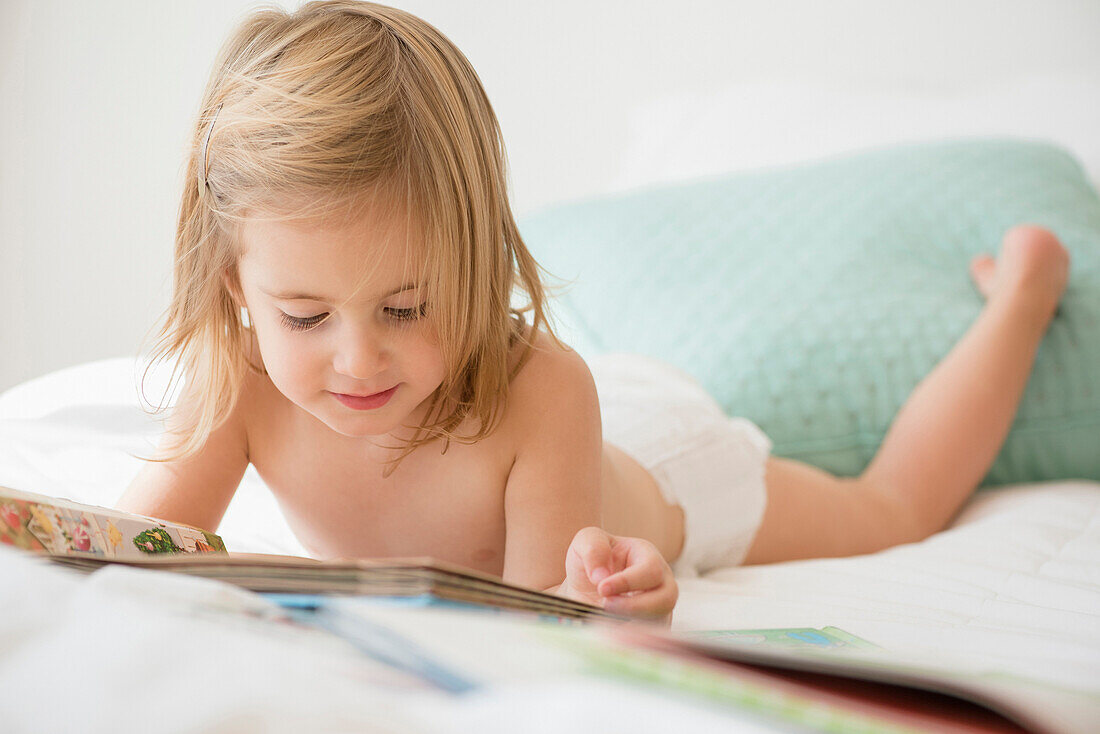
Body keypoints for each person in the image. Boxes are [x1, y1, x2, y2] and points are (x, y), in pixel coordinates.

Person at [117, 1, 1069, 624]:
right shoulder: (235, 382)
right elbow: (133, 552)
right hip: (593, 425)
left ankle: (1022, 298)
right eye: (306, 317)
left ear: (479, 261)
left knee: (886, 512)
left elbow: (545, 618)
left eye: (407, 306)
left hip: (658, 471)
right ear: (237, 287)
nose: (359, 360)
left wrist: (615, 601)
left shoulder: (541, 390)